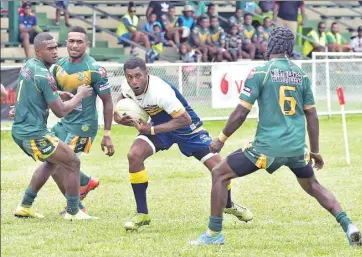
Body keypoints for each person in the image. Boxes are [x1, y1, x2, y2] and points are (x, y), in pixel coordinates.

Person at [190, 27, 362, 246]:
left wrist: (221, 139)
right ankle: (349, 225)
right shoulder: (301, 75)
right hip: (296, 149)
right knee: (314, 186)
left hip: (266, 148)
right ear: (289, 49)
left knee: (219, 173)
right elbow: (312, 116)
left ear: (271, 45)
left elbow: (240, 112)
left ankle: (214, 235)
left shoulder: (260, 72)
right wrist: (315, 151)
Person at [114, 57, 253, 231]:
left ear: (146, 73)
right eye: (130, 77)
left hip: (186, 127)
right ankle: (142, 213)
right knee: (134, 155)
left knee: (219, 168)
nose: (134, 81)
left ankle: (228, 203)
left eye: (138, 76)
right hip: (159, 126)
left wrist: (150, 130)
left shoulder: (160, 91)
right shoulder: (127, 86)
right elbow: (120, 106)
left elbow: (184, 120)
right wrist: (119, 117)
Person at [12, 32, 96, 220]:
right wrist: (79, 95)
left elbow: (31, 92)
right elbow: (61, 111)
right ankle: (74, 211)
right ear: (38, 51)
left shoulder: (29, 65)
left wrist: (57, 93)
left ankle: (25, 206)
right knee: (73, 162)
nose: (55, 52)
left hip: (23, 130)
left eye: (56, 47)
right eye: (49, 49)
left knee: (52, 163)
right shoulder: (45, 75)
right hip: (33, 133)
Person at [49, 26, 115, 213]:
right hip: (65, 123)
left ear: (86, 45)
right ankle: (83, 187)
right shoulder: (59, 66)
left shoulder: (95, 69)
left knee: (62, 164)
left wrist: (107, 133)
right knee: (50, 163)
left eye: (79, 41)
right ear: (66, 43)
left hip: (84, 127)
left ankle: (76, 205)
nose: (75, 45)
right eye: (71, 41)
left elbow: (108, 101)